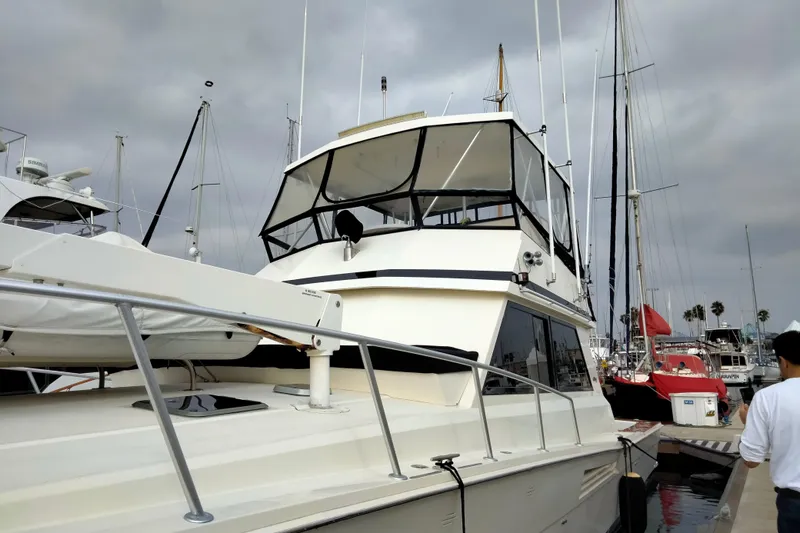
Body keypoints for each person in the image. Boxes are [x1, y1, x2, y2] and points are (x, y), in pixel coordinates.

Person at [739, 330, 800, 532]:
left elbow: (752, 460)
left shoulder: (767, 397)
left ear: (783, 361)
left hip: (794, 503)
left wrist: (749, 424)